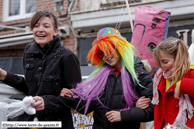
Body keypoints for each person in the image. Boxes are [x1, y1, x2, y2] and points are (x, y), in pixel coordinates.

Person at [59, 27, 154, 129]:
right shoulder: (102, 76)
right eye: (101, 53)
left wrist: (123, 115)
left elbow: (152, 111)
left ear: (120, 47)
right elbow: (88, 107)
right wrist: (71, 98)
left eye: (108, 49)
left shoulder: (138, 73)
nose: (105, 56)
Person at [0, 11, 81, 129]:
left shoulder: (67, 56)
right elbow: (30, 87)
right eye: (36, 26)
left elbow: (76, 98)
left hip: (57, 122)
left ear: (55, 31)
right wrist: (4, 76)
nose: (40, 30)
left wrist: (47, 102)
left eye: (46, 26)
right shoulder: (28, 51)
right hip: (30, 121)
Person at [152, 37, 194, 128]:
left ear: (179, 59)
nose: (162, 66)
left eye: (165, 62)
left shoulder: (190, 73)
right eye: (159, 62)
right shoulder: (159, 78)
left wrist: (181, 85)